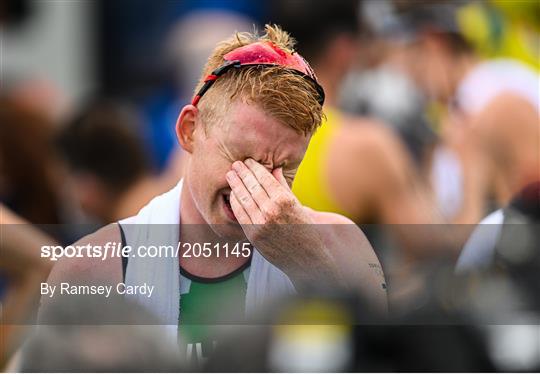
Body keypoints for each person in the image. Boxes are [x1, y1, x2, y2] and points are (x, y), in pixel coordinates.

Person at [43, 25, 387, 364]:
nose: (258, 184)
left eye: (286, 166)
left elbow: (384, 362)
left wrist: (307, 261)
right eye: (243, 158)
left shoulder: (342, 245)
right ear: (189, 130)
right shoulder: (92, 267)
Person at [55, 100, 164, 224]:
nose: (65, 194)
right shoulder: (171, 205)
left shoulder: (131, 235)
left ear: (88, 183)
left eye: (65, 181)